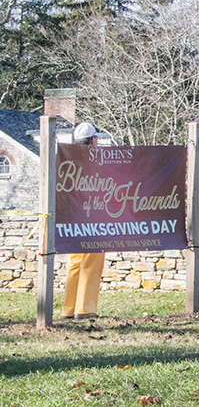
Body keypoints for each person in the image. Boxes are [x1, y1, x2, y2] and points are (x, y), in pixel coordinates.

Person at [63, 122, 106, 320]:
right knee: (92, 260)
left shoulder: (68, 160)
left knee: (74, 262)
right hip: (93, 217)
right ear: (93, 140)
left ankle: (69, 309)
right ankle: (85, 308)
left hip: (73, 218)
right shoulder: (96, 161)